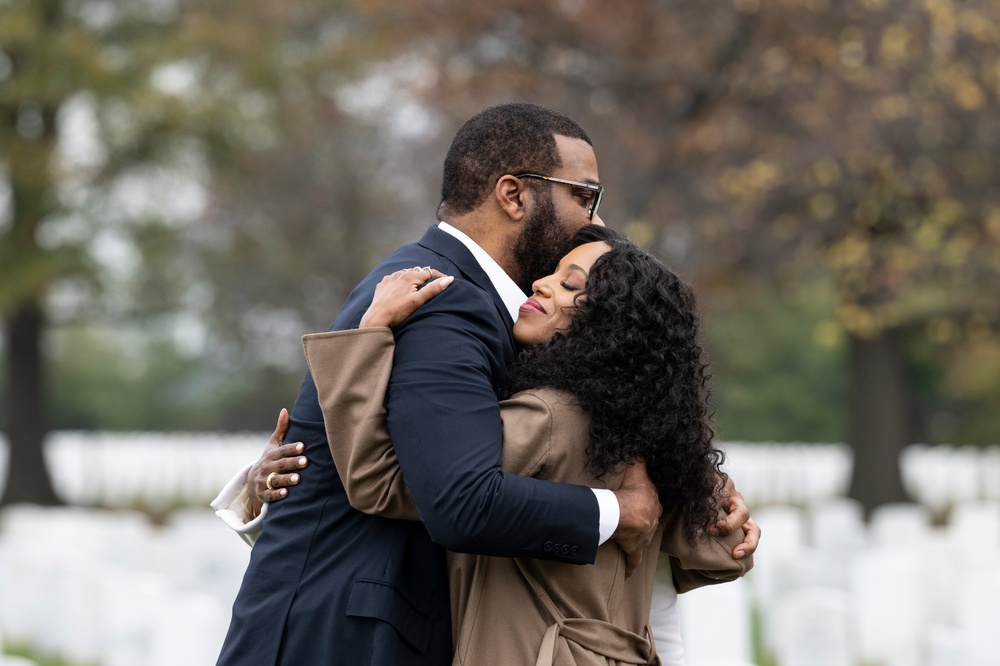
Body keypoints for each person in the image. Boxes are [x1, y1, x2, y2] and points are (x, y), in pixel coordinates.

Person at [213, 103, 759, 665]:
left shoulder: (504, 317)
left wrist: (699, 490)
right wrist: (618, 510)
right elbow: (454, 495)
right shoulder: (442, 301)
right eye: (584, 194)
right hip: (340, 642)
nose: (593, 220)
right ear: (515, 195)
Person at [300, 224, 753, 664]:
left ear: (610, 323)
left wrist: (368, 335)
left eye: (568, 283)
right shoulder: (641, 438)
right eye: (552, 273)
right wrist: (713, 493)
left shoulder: (548, 417)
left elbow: (379, 482)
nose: (540, 284)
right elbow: (724, 553)